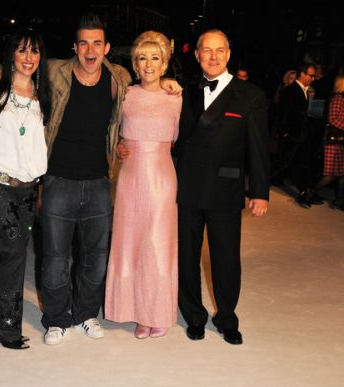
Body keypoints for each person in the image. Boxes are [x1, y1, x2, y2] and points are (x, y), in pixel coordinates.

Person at [0, 13, 180, 346]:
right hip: (58, 179)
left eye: (97, 43)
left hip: (100, 182)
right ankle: (57, 318)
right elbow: (24, 66)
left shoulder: (118, 79)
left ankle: (86, 313)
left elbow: (145, 96)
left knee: (96, 257)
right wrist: (0, 69)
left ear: (106, 48)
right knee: (55, 257)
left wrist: (166, 84)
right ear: (75, 47)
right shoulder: (55, 71)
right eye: (84, 43)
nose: (90, 50)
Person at [175, 29, 270, 345]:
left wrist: (259, 191)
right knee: (187, 257)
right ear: (197, 54)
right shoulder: (183, 90)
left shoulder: (250, 95)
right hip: (186, 187)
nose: (213, 56)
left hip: (225, 190)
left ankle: (227, 317)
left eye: (219, 50)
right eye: (206, 50)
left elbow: (258, 147)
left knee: (226, 258)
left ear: (228, 54)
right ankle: (194, 316)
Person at [104, 31, 182, 339]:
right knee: (130, 242)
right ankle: (133, 310)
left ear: (164, 63)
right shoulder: (125, 94)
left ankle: (156, 311)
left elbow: (181, 139)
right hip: (130, 178)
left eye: (155, 58)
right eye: (142, 58)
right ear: (134, 64)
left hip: (162, 178)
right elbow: (112, 131)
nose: (148, 65)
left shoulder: (176, 97)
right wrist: (120, 145)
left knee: (158, 243)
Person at [0, 28, 50, 350]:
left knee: (15, 255)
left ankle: (5, 321)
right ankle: (6, 328)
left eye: (35, 51)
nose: (28, 58)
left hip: (30, 190)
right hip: (0, 186)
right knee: (10, 253)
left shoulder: (45, 94)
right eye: (22, 50)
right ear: (12, 53)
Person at [271, 63, 318, 207]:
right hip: (292, 135)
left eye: (314, 75)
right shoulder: (290, 90)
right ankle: (257, 185)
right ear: (302, 74)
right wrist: (285, 133)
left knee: (303, 165)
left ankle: (305, 193)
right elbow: (281, 114)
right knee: (282, 163)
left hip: (302, 136)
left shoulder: (306, 91)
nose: (313, 78)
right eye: (310, 75)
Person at [304, 73, 344, 210]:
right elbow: (332, 119)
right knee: (331, 174)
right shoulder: (338, 98)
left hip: (339, 140)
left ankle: (339, 200)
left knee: (340, 173)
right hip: (334, 141)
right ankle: (310, 192)